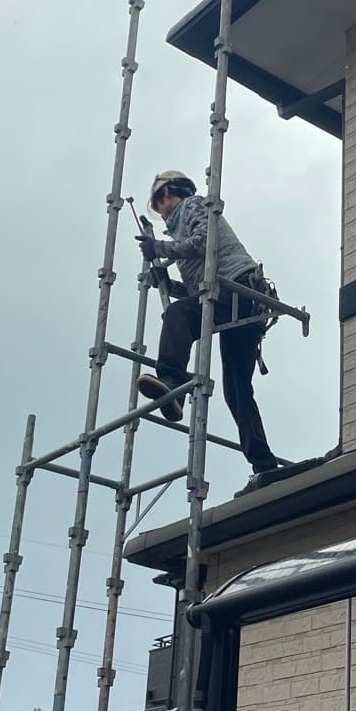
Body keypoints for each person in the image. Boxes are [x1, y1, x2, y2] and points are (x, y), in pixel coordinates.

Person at [133, 170, 281, 493]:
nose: (160, 211)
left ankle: (173, 381)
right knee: (236, 388)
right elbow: (197, 294)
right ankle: (264, 464)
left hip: (237, 288)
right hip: (237, 299)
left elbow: (203, 242)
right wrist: (168, 283)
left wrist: (160, 248)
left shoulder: (194, 206)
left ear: (170, 192)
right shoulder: (180, 232)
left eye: (159, 202)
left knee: (177, 316)